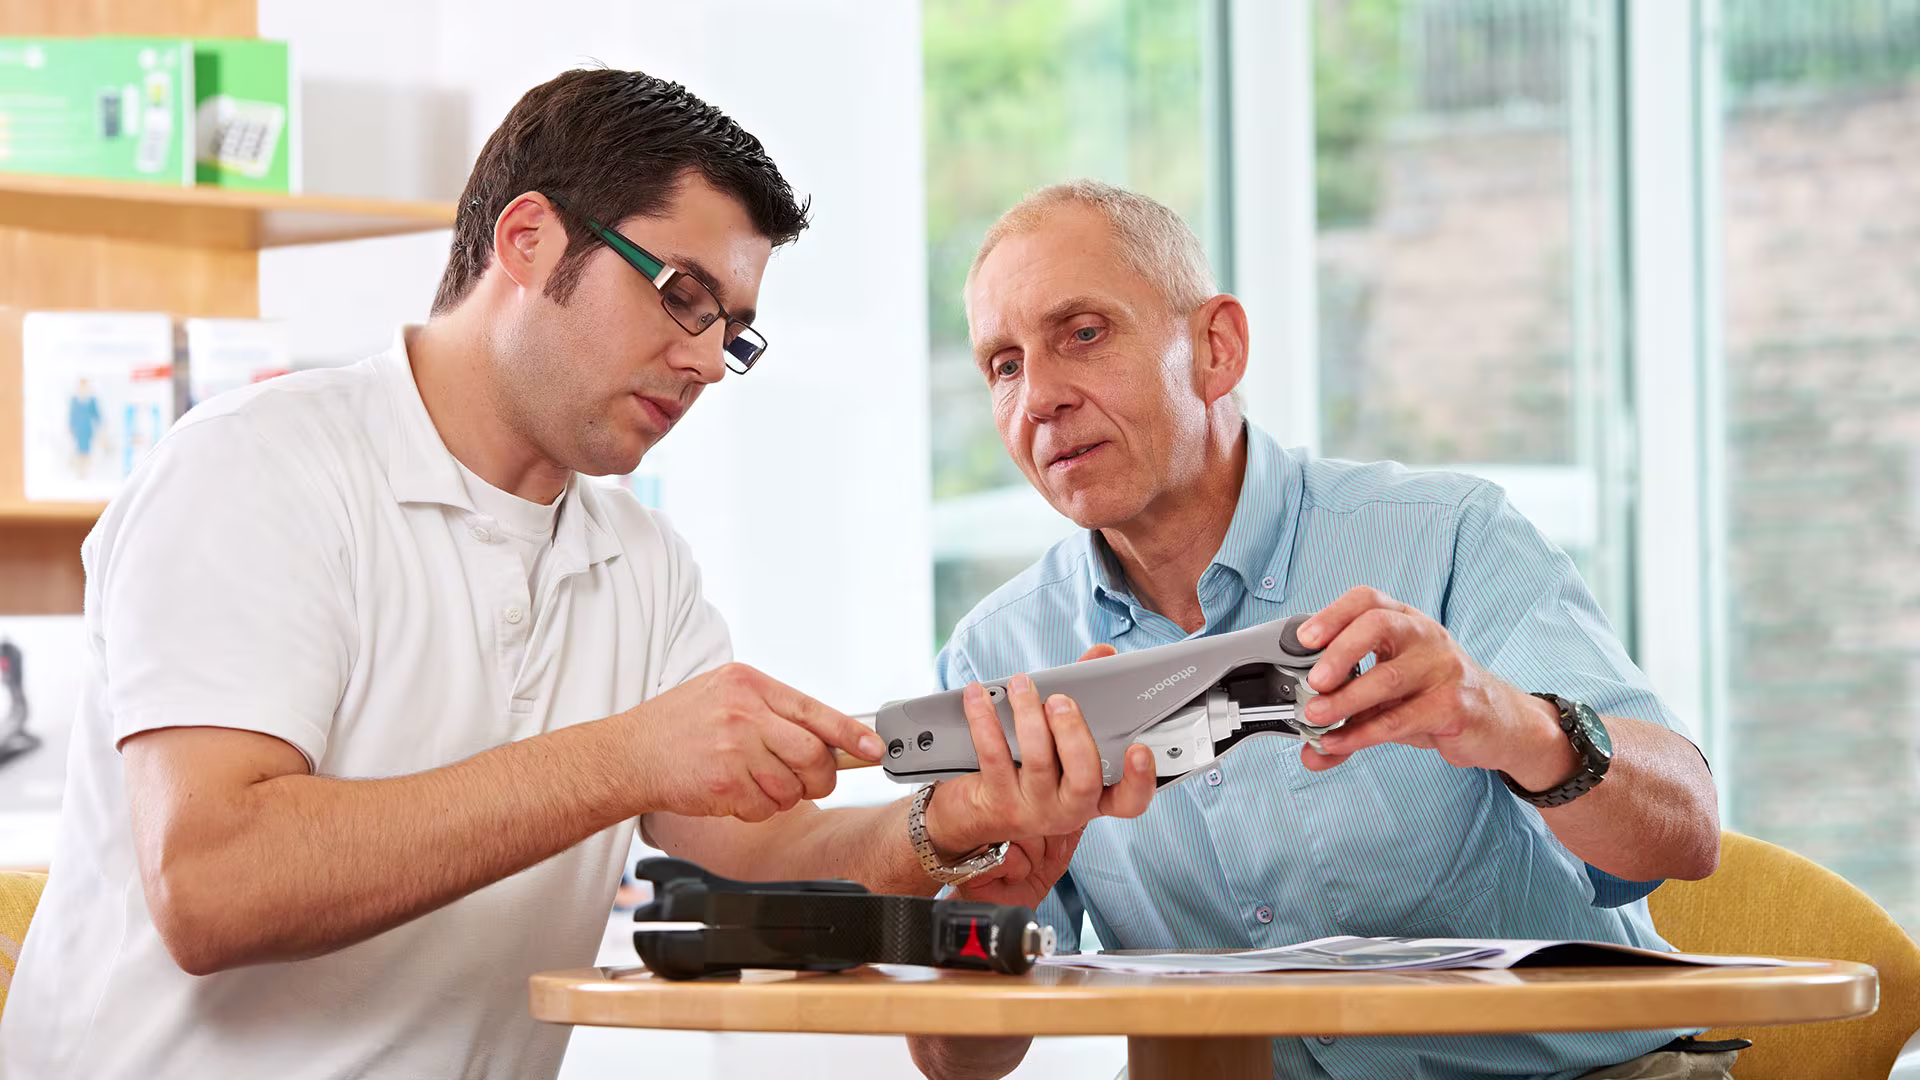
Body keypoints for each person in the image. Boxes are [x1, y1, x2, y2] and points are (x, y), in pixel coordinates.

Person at [0, 73, 1153, 1080]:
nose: (705, 358)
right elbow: (214, 884)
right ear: (529, 241)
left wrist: (946, 826)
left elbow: (756, 855)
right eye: (683, 295)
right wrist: (630, 754)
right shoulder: (257, 469)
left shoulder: (639, 564)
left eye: (732, 329)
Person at [908, 180, 1726, 1080]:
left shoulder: (1450, 534)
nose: (1041, 398)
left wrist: (1507, 720)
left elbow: (1685, 833)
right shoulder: (999, 656)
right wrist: (988, 914)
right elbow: (958, 1060)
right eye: (1005, 365)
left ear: (1216, 349)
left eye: (1084, 334)